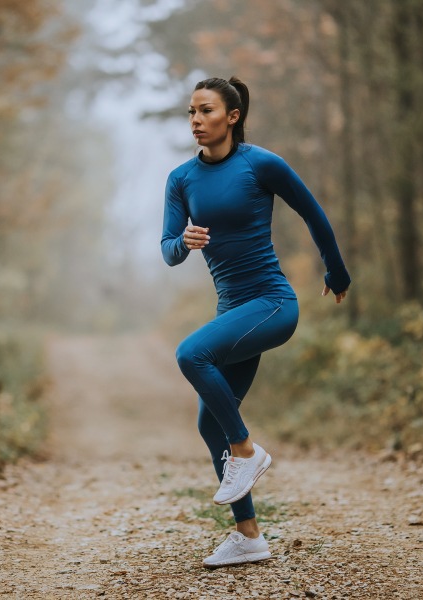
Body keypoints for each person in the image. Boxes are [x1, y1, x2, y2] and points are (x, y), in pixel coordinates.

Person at [161, 76, 350, 568]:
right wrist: (186, 242)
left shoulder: (260, 164)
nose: (196, 121)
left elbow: (313, 215)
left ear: (233, 116)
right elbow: (168, 252)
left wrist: (336, 269)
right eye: (191, 112)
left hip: (271, 303)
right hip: (234, 312)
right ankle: (249, 538)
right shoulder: (181, 179)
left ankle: (246, 450)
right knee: (208, 423)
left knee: (190, 353)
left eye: (205, 111)